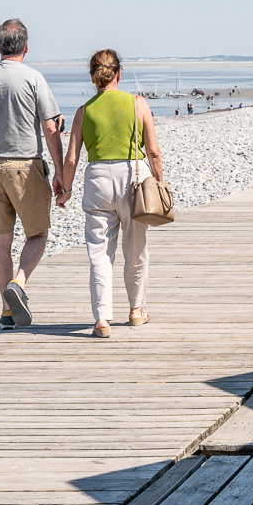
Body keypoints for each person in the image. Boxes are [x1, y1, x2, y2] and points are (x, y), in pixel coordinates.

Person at [0, 18, 67, 330]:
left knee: (1, 241)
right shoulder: (34, 78)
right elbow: (50, 127)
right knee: (37, 234)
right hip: (24, 165)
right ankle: (18, 283)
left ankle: (7, 311)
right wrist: (60, 171)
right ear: (26, 46)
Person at [61, 49, 164, 338]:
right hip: (132, 177)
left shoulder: (84, 110)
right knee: (136, 248)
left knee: (99, 253)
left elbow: (71, 159)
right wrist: (159, 182)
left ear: (93, 78)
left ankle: (102, 319)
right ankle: (135, 310)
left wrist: (65, 191)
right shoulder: (137, 104)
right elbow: (153, 151)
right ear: (118, 73)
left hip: (98, 180)